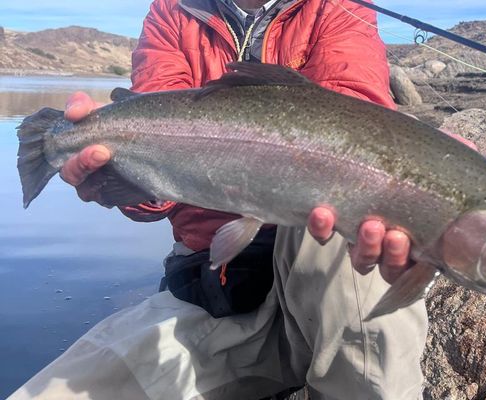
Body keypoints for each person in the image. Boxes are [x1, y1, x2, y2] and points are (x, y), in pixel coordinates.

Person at [8, 0, 441, 398]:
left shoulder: (338, 8)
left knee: (350, 209)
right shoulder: (173, 11)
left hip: (323, 280)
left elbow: (358, 129)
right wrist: (118, 183)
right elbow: (157, 195)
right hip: (214, 294)